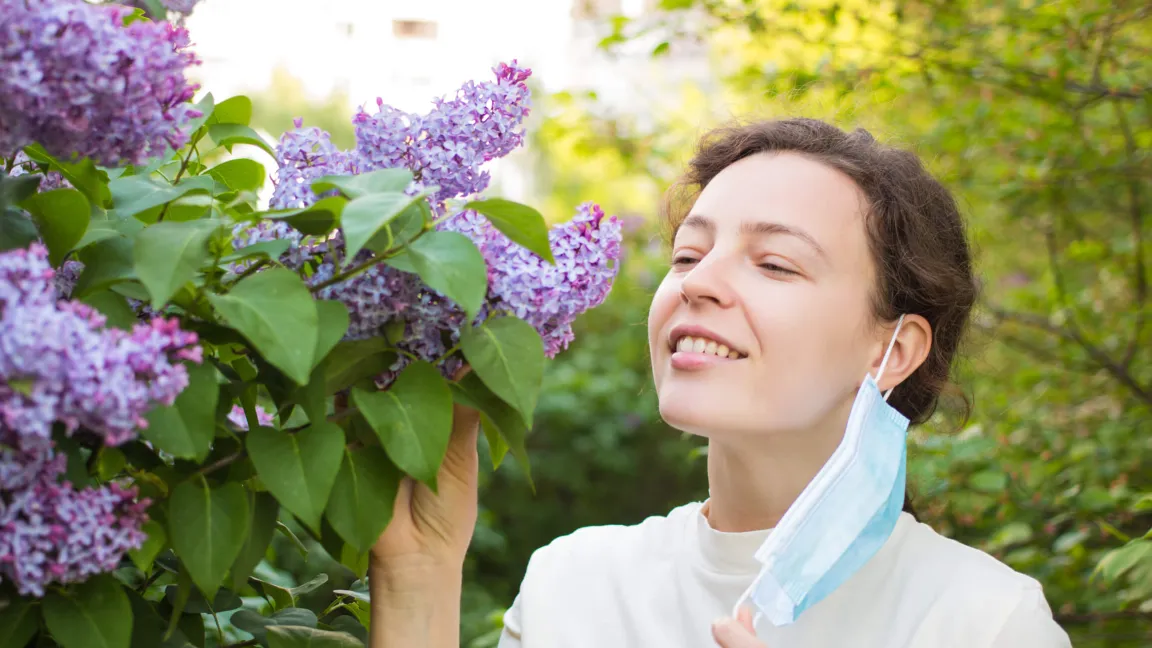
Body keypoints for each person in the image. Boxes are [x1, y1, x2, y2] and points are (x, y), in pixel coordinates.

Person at [366, 118, 1073, 648]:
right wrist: (419, 576)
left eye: (775, 264)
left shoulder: (981, 620)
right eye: (688, 253)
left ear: (893, 350)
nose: (698, 281)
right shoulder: (574, 585)